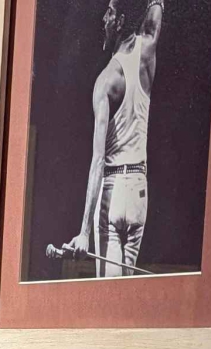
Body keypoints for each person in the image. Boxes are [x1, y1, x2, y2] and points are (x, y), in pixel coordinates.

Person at [60, 0, 165, 277]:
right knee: (124, 293)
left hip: (113, 191)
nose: (103, 19)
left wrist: (84, 232)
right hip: (139, 192)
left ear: (119, 22)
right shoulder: (147, 49)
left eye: (109, 13)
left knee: (110, 295)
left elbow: (98, 160)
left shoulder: (106, 81)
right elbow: (156, 8)